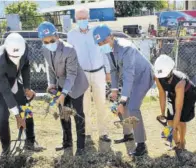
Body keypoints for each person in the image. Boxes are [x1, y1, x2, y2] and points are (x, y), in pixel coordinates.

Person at [93, 24, 155, 156]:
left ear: (111, 37)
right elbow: (114, 70)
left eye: (104, 41)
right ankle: (129, 135)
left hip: (143, 75)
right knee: (119, 105)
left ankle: (141, 145)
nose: (102, 44)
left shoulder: (126, 48)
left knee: (132, 107)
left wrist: (122, 100)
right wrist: (114, 90)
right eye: (99, 43)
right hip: (131, 77)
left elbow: (128, 76)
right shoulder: (108, 49)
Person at [0, 33, 44, 154]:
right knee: (3, 112)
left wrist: (27, 87)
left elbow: (25, 66)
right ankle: (6, 149)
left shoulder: (24, 48)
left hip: (11, 78)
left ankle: (30, 141)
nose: (16, 58)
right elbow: (5, 91)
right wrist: (17, 116)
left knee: (26, 108)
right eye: (12, 56)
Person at [38, 21, 89, 155]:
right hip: (61, 84)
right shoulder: (45, 49)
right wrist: (51, 84)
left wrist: (63, 94)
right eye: (46, 41)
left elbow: (71, 74)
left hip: (76, 84)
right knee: (63, 114)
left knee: (78, 115)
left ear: (57, 36)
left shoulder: (69, 49)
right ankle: (67, 143)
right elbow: (50, 67)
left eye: (52, 40)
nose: (49, 43)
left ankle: (81, 146)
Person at [67, 7, 112, 143]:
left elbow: (104, 51)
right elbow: (71, 56)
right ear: (75, 19)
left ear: (89, 17)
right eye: (79, 19)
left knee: (101, 104)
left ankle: (103, 132)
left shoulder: (96, 31)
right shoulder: (71, 35)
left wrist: (108, 71)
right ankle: (87, 133)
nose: (82, 21)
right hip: (82, 74)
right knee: (84, 105)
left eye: (84, 18)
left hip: (98, 73)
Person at [154, 55, 196, 152]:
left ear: (170, 72)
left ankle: (182, 142)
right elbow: (162, 93)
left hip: (188, 94)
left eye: (166, 77)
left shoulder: (180, 83)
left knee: (180, 120)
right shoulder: (157, 76)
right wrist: (163, 113)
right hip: (173, 93)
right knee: (170, 120)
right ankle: (176, 143)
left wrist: (170, 130)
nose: (163, 80)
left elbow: (178, 110)